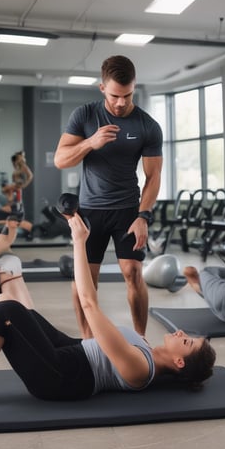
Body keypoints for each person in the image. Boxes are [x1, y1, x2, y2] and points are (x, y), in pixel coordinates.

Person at [0, 214, 216, 400]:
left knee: (5, 312)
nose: (182, 333)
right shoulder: (147, 350)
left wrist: (80, 242)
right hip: (70, 351)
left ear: (179, 362)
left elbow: (89, 305)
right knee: (6, 299)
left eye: (186, 342)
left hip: (61, 377)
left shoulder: (141, 368)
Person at [54, 55, 163, 337]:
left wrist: (143, 216)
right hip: (90, 210)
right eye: (115, 95)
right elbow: (60, 160)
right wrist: (91, 142)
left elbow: (153, 177)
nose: (121, 102)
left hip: (128, 209)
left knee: (133, 273)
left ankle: (141, 341)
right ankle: (89, 342)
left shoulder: (147, 126)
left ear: (134, 87)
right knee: (84, 282)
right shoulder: (85, 115)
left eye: (127, 95)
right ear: (102, 88)